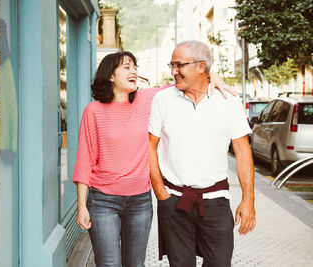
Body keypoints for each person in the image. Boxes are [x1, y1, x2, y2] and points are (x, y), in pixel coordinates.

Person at [73, 50, 235, 266]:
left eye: (135, 66)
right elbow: (85, 159)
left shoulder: (147, 99)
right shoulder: (93, 111)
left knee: (135, 264)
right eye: (127, 67)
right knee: (109, 263)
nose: (134, 71)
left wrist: (211, 75)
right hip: (103, 201)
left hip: (139, 201)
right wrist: (81, 206)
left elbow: (185, 82)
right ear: (111, 75)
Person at [148, 40, 256, 267]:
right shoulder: (162, 99)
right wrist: (161, 193)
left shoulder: (229, 101)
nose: (173, 71)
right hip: (174, 201)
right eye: (172, 65)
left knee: (219, 263)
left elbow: (242, 151)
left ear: (201, 67)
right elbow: (150, 146)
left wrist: (248, 199)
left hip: (215, 201)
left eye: (179, 65)